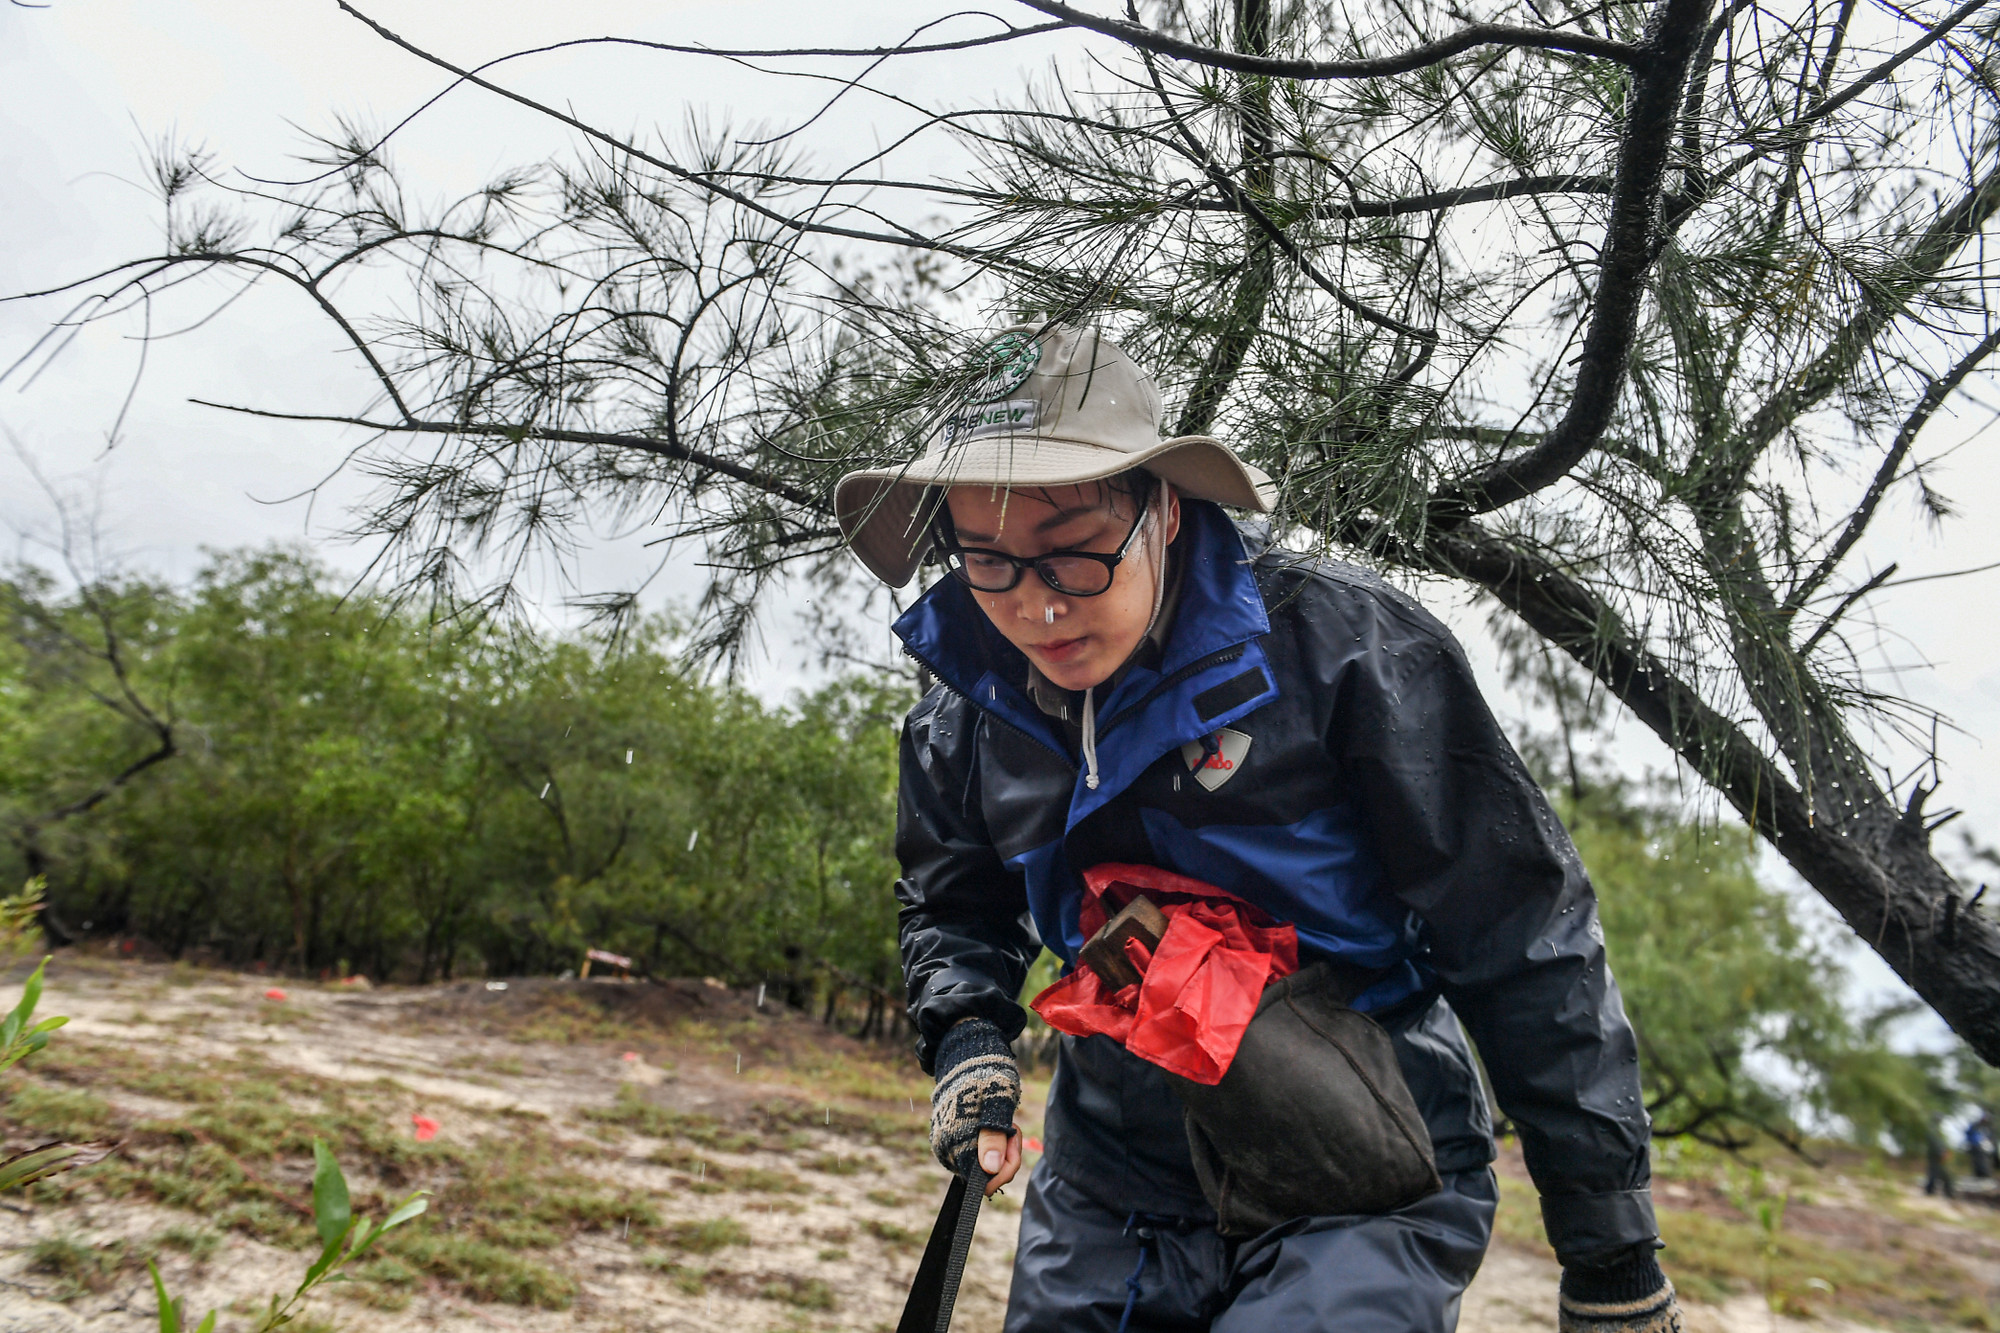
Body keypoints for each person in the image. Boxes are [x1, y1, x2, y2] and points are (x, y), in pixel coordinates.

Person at [835, 325, 1678, 1333]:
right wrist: (969, 1032)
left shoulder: (1349, 652)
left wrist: (1610, 1249)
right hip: (1112, 1176)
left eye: (1069, 556)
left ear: (1164, 510)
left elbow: (1521, 935)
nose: (1036, 609)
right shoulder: (967, 703)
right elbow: (950, 894)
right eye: (988, 562)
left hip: (1362, 1153)